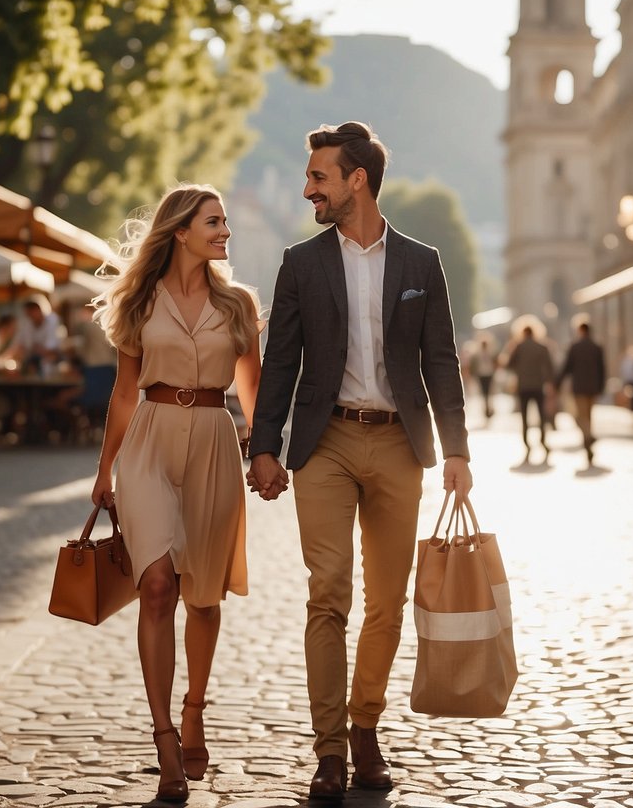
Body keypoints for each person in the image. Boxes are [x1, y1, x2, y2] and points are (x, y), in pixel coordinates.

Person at [246, 121, 472, 800]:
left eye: (318, 176)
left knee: (387, 603)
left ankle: (364, 722)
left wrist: (456, 450)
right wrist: (262, 445)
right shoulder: (300, 263)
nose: (307, 187)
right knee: (328, 594)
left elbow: (440, 360)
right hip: (326, 443)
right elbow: (280, 361)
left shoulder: (420, 263)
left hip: (400, 443)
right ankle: (329, 751)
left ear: (356, 181)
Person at [90, 184, 262, 803]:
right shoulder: (139, 301)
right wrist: (104, 470)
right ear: (181, 230)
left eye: (225, 222)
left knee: (205, 597)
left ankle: (195, 707)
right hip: (149, 446)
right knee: (157, 585)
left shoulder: (238, 304)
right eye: (214, 222)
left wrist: (264, 453)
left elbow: (253, 392)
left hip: (216, 441)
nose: (225, 231)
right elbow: (123, 393)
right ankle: (164, 737)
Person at [557, 321, 606, 466]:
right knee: (589, 415)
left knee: (580, 415)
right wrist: (601, 387)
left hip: (579, 387)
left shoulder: (575, 347)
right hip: (593, 387)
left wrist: (557, 383)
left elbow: (566, 367)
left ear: (580, 331)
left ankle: (587, 436)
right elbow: (602, 369)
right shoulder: (597, 347)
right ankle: (588, 437)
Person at [504, 322, 554, 464]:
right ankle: (543, 441)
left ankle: (527, 445)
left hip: (523, 387)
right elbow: (550, 367)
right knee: (542, 416)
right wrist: (551, 384)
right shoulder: (542, 347)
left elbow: (508, 365)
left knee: (525, 419)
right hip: (538, 386)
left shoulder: (518, 347)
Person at [5, 294, 62, 373]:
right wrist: (3, 360)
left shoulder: (53, 321)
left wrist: (36, 350)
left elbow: (51, 350)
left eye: (33, 309)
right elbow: (17, 345)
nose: (31, 313)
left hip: (51, 368)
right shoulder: (26, 323)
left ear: (40, 309)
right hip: (31, 366)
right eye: (29, 310)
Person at [467, 336, 498, 420]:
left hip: (489, 374)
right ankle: (486, 408)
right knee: (484, 392)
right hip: (481, 375)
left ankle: (488, 408)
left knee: (489, 392)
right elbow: (473, 365)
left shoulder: (490, 353)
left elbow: (495, 362)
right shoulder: (477, 354)